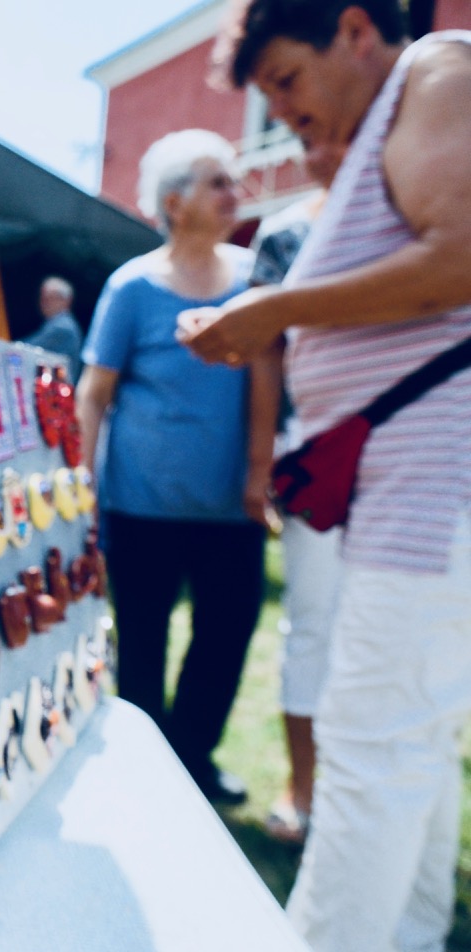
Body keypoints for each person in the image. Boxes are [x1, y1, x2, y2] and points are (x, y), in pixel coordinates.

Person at [179, 4, 471, 949]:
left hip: (434, 480)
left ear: (352, 30)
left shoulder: (439, 69)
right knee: (408, 739)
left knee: (368, 742)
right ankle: (412, 933)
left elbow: (461, 254)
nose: (282, 111)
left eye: (287, 80)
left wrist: (275, 310)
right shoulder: (397, 110)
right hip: (412, 479)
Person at [76, 128, 266, 805]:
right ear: (174, 201)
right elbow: (94, 393)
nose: (234, 193)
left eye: (233, 181)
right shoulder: (132, 287)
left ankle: (192, 759)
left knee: (226, 634)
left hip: (229, 508)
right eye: (218, 182)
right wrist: (83, 487)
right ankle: (145, 771)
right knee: (143, 642)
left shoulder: (254, 282)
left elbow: (266, 381)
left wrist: (260, 470)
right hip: (139, 506)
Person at [247, 140, 345, 845]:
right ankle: (304, 784)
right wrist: (261, 462)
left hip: (413, 451)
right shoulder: (284, 235)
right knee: (312, 619)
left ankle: (359, 786)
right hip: (313, 452)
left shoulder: (420, 208)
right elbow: (265, 354)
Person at [25, 276, 83, 380]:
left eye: (51, 298)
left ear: (67, 300)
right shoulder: (56, 324)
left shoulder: (62, 327)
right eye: (43, 298)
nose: (44, 302)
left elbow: (25, 348)